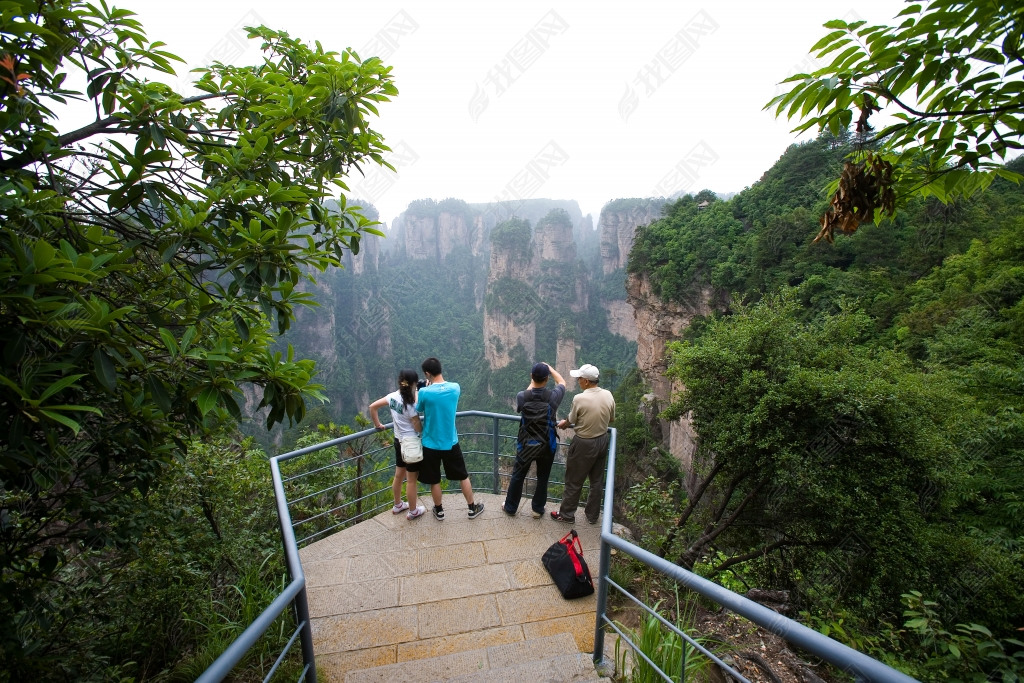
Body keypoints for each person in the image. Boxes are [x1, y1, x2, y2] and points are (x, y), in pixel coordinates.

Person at [415, 357, 484, 521]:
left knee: (434, 480)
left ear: (427, 373)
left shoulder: (425, 392)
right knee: (463, 476)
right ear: (441, 368)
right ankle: (471, 508)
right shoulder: (455, 388)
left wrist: (419, 389)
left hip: (430, 443)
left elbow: (418, 407)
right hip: (450, 442)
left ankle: (439, 511)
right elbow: (441, 390)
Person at [553, 363, 615, 525]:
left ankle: (566, 515)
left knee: (574, 480)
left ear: (586, 381)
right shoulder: (608, 394)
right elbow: (612, 419)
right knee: (596, 480)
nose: (578, 381)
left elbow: (570, 421)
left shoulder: (579, 398)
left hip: (584, 443)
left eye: (579, 378)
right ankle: (592, 515)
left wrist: (563, 424)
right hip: (602, 440)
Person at [503, 362, 566, 518]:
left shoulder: (521, 396)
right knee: (543, 477)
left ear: (532, 377)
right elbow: (562, 382)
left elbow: (528, 392)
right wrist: (550, 369)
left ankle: (511, 507)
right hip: (547, 445)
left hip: (526, 444)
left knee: (518, 475)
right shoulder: (553, 397)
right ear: (546, 378)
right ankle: (537, 509)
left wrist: (534, 380)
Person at [368, 369, 426, 520]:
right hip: (411, 443)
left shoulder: (392, 397)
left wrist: (378, 424)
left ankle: (398, 504)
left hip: (398, 440)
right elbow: (417, 427)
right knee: (411, 480)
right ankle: (413, 511)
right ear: (413, 384)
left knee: (398, 475)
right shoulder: (411, 407)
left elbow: (372, 407)